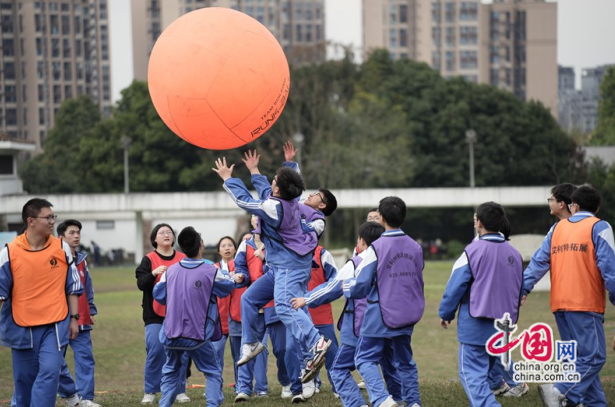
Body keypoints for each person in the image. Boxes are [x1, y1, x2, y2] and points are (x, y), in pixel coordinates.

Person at [212, 157, 332, 386]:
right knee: (249, 299)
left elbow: (244, 201)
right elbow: (267, 190)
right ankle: (252, 343)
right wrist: (257, 171)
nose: (272, 181)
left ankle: (316, 343)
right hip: (280, 268)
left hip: (289, 268)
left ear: (278, 187)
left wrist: (228, 178)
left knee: (286, 308)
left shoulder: (275, 207)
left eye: (275, 179)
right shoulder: (286, 200)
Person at [523, 185, 615, 407]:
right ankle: (559, 390)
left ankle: (594, 404)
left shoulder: (557, 229)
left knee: (577, 360)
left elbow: (538, 263)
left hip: (560, 305)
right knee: (593, 357)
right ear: (597, 207)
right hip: (586, 304)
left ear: (574, 206)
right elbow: (610, 269)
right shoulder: (600, 226)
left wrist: (523, 289)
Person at [439, 202, 524, 407]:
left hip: (475, 323)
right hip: (502, 326)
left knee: (471, 373)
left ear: (478, 222)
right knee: (485, 372)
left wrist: (446, 313)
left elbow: (455, 286)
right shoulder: (515, 254)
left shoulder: (472, 251)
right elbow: (519, 289)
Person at [0, 198, 83, 407]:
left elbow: (72, 286)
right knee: (24, 381)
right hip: (22, 327)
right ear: (31, 221)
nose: (53, 222)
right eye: (48, 217)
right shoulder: (9, 252)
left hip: (55, 325)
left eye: (53, 217)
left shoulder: (61, 247)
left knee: (49, 373)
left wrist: (74, 318)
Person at [344, 196, 425, 407]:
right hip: (408, 312)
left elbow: (361, 285)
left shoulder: (376, 248)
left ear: (381, 217)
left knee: (364, 358)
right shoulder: (416, 247)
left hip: (380, 313)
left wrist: (347, 288)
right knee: (405, 361)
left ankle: (382, 399)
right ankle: (413, 402)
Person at [153, 226, 240, 407]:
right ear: (201, 245)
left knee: (170, 371)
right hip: (197, 335)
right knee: (213, 372)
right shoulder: (211, 271)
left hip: (171, 333)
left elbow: (158, 294)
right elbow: (228, 287)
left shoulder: (170, 271)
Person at [135, 223, 190, 404]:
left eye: (169, 232)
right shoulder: (148, 259)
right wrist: (153, 273)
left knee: (180, 353)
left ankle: (180, 390)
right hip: (154, 314)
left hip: (179, 314)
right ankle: (150, 390)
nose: (167, 235)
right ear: (155, 239)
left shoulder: (183, 258)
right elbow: (141, 283)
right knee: (156, 351)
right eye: (162, 232)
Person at [56, 219, 101, 407]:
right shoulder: (55, 259)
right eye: (72, 233)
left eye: (78, 233)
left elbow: (87, 287)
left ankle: (85, 398)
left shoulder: (82, 260)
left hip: (81, 318)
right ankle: (66, 395)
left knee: (85, 360)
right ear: (61, 237)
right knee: (55, 362)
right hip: (58, 320)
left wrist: (90, 309)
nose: (76, 236)